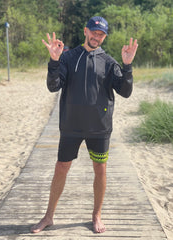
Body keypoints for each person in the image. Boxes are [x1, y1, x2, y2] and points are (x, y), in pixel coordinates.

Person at [31, 16, 138, 234]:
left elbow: (125, 92)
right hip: (71, 126)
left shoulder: (109, 62)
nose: (97, 37)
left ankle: (96, 214)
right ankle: (49, 215)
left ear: (104, 37)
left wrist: (127, 66)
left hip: (99, 128)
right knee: (61, 167)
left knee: (100, 169)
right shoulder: (69, 57)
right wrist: (54, 61)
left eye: (101, 35)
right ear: (85, 31)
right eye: (94, 32)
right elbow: (54, 86)